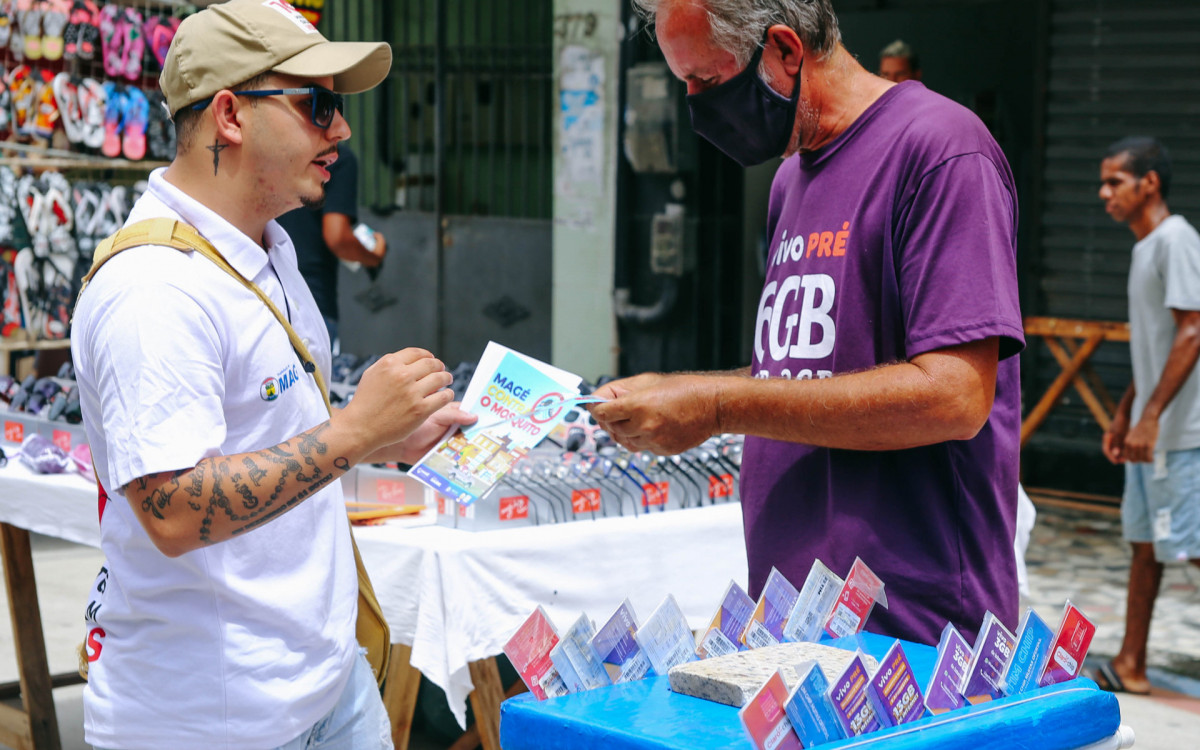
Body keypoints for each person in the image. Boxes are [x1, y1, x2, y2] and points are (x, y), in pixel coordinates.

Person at [70, 1, 474, 748]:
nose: (342, 131)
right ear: (230, 115)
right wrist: (356, 430)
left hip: (326, 686)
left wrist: (387, 437)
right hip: (212, 719)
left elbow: (272, 435)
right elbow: (173, 510)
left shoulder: (266, 250)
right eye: (319, 105)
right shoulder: (155, 289)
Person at [591, 0, 1023, 646]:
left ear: (786, 50)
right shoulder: (791, 177)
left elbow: (955, 396)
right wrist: (675, 390)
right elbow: (806, 371)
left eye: (708, 81)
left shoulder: (939, 149)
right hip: (794, 608)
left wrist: (715, 405)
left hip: (914, 620)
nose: (696, 104)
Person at [1097, 136, 1200, 696]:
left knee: (1192, 547)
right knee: (1144, 544)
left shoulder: (1176, 239)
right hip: (1152, 430)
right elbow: (1157, 344)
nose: (1103, 193)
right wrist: (1125, 413)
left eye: (1115, 181)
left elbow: (1193, 329)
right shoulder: (1144, 250)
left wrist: (1153, 415)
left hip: (1183, 435)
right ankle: (1130, 663)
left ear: (1150, 183)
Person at [276, 143, 386, 347]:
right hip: (311, 304)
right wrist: (374, 257)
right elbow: (337, 237)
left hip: (263, 299)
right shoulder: (337, 158)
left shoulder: (269, 155)